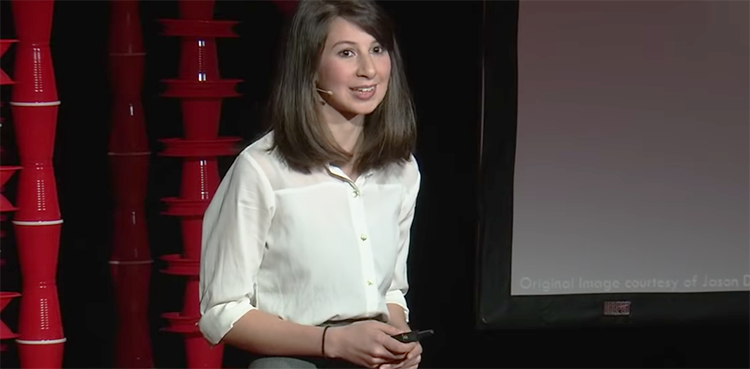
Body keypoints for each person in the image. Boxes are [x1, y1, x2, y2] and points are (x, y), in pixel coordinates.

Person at [198, 0, 422, 368]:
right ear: (311, 67)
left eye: (377, 50)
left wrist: (398, 339)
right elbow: (224, 312)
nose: (368, 69)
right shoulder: (262, 169)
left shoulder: (401, 170)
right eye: (347, 53)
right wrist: (331, 342)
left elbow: (391, 290)